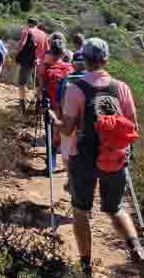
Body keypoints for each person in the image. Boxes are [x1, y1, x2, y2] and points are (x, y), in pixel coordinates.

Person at [54, 38, 144, 277]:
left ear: (84, 59)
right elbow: (133, 127)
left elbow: (67, 130)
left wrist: (54, 122)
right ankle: (136, 248)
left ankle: (86, 265)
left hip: (83, 159)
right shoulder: (122, 88)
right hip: (114, 158)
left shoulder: (75, 89)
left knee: (80, 211)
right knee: (115, 208)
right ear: (106, 59)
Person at [39, 39, 74, 173]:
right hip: (69, 109)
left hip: (51, 108)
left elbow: (42, 89)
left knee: (50, 135)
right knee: (68, 137)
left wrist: (40, 105)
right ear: (63, 52)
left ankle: (51, 165)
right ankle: (69, 165)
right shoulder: (70, 68)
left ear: (51, 52)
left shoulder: (46, 68)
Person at [56, 51, 88, 189]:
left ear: (73, 64)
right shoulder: (94, 81)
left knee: (67, 156)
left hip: (68, 122)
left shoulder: (65, 80)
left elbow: (58, 104)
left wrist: (58, 122)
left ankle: (71, 179)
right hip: (88, 126)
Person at [15, 18, 50, 111]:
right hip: (40, 63)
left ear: (28, 23)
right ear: (37, 24)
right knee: (38, 84)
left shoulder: (27, 31)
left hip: (28, 62)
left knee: (22, 83)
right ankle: (37, 104)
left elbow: (22, 44)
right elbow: (47, 50)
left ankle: (22, 105)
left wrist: (17, 54)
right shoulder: (43, 34)